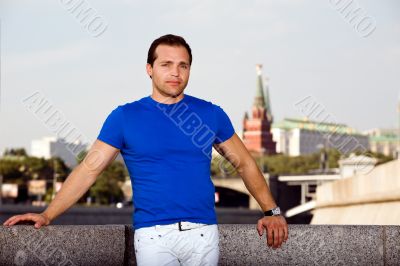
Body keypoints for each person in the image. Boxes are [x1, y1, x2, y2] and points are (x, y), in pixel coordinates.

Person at [3, 34, 288, 265]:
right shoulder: (124, 117)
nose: (175, 73)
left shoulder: (211, 113)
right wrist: (47, 215)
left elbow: (245, 164)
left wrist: (272, 212)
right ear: (149, 69)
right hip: (153, 237)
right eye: (166, 64)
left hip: (204, 236)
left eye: (183, 65)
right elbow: (89, 170)